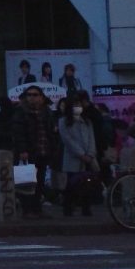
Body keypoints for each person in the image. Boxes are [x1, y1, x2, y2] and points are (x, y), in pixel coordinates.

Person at [11, 85, 56, 216]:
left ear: (41, 97)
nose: (31, 97)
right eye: (29, 95)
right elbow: (18, 132)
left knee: (40, 181)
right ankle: (27, 209)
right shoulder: (20, 112)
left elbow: (51, 131)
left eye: (35, 95)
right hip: (29, 152)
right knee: (27, 182)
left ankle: (37, 208)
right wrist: (22, 150)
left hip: (43, 150)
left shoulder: (47, 112)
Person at [58, 93, 100, 217]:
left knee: (87, 183)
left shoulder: (86, 121)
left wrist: (90, 153)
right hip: (73, 158)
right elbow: (67, 140)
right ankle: (68, 208)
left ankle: (86, 208)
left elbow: (92, 138)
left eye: (79, 104)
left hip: (88, 158)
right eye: (75, 104)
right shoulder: (63, 121)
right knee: (71, 184)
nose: (78, 107)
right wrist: (81, 154)